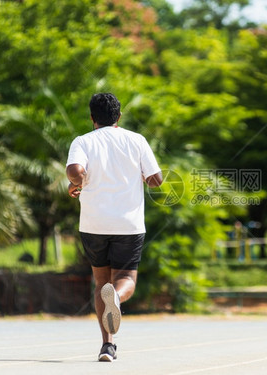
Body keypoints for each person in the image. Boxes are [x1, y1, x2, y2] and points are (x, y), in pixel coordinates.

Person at [66, 93, 162, 362]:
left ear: (92, 118)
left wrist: (77, 182)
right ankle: (117, 298)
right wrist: (145, 175)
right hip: (128, 224)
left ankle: (107, 346)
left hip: (94, 224)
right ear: (118, 117)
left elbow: (75, 171)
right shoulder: (136, 140)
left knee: (100, 283)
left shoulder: (83, 141)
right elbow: (156, 180)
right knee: (127, 279)